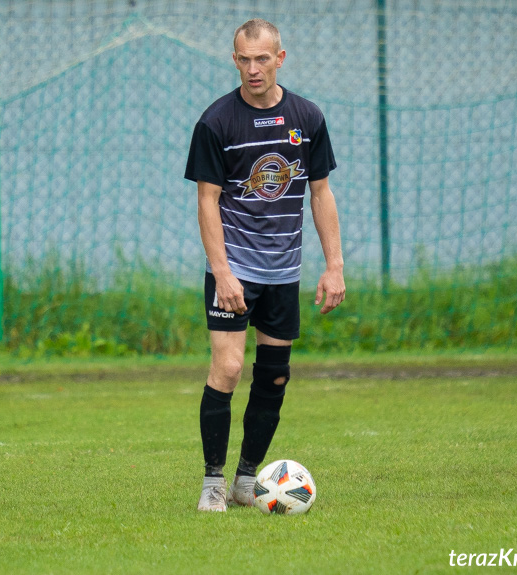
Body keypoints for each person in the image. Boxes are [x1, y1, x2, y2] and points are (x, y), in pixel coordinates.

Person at [184, 19, 345, 511]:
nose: (253, 68)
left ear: (280, 57)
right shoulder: (216, 122)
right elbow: (207, 201)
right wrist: (223, 271)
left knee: (274, 376)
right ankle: (213, 483)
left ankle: (245, 480)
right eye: (243, 59)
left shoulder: (307, 117)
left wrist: (334, 265)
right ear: (235, 60)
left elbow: (320, 192)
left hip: (283, 274)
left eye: (262, 58)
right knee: (229, 368)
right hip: (233, 270)